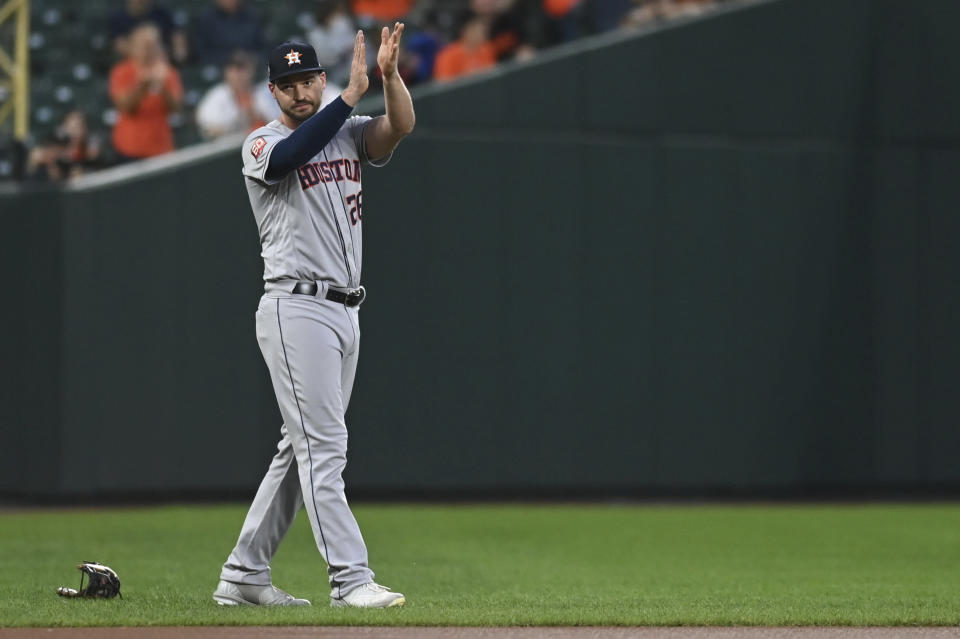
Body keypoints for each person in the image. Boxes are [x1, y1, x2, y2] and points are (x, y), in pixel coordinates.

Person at [213, 25, 415, 609]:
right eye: (288, 85)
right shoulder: (260, 142)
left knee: (297, 448)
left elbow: (399, 126)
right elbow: (290, 157)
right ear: (272, 93)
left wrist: (389, 78)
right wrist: (348, 97)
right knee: (324, 447)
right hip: (294, 306)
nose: (301, 93)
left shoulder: (348, 133)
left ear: (320, 79)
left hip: (345, 308)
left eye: (308, 81)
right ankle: (350, 579)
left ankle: (244, 573)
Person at [109, 23, 183, 160]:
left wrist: (162, 87)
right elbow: (124, 106)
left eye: (152, 45)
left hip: (161, 147)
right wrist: (143, 86)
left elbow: (176, 107)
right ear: (133, 47)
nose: (147, 50)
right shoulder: (121, 72)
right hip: (130, 148)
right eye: (143, 45)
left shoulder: (168, 72)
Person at [195, 51, 270, 139]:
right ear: (227, 72)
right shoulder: (216, 96)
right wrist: (239, 119)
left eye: (243, 69)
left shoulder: (264, 91)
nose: (239, 74)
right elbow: (208, 126)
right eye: (234, 69)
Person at [26, 110, 103, 182]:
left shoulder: (91, 140)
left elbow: (91, 154)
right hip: (58, 178)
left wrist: (61, 154)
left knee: (77, 172)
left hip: (85, 176)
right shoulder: (58, 138)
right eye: (72, 126)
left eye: (78, 126)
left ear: (85, 127)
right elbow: (44, 152)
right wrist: (51, 159)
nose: (75, 130)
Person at [194, 0, 266, 67]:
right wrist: (229, 57)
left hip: (251, 68)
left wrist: (251, 57)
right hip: (218, 69)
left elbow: (265, 48)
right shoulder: (206, 19)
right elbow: (202, 53)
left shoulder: (253, 16)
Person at [433, 13, 497, 82]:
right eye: (476, 29)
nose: (482, 33)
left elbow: (492, 75)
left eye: (483, 29)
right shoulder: (448, 55)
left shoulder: (487, 49)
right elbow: (444, 84)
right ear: (465, 31)